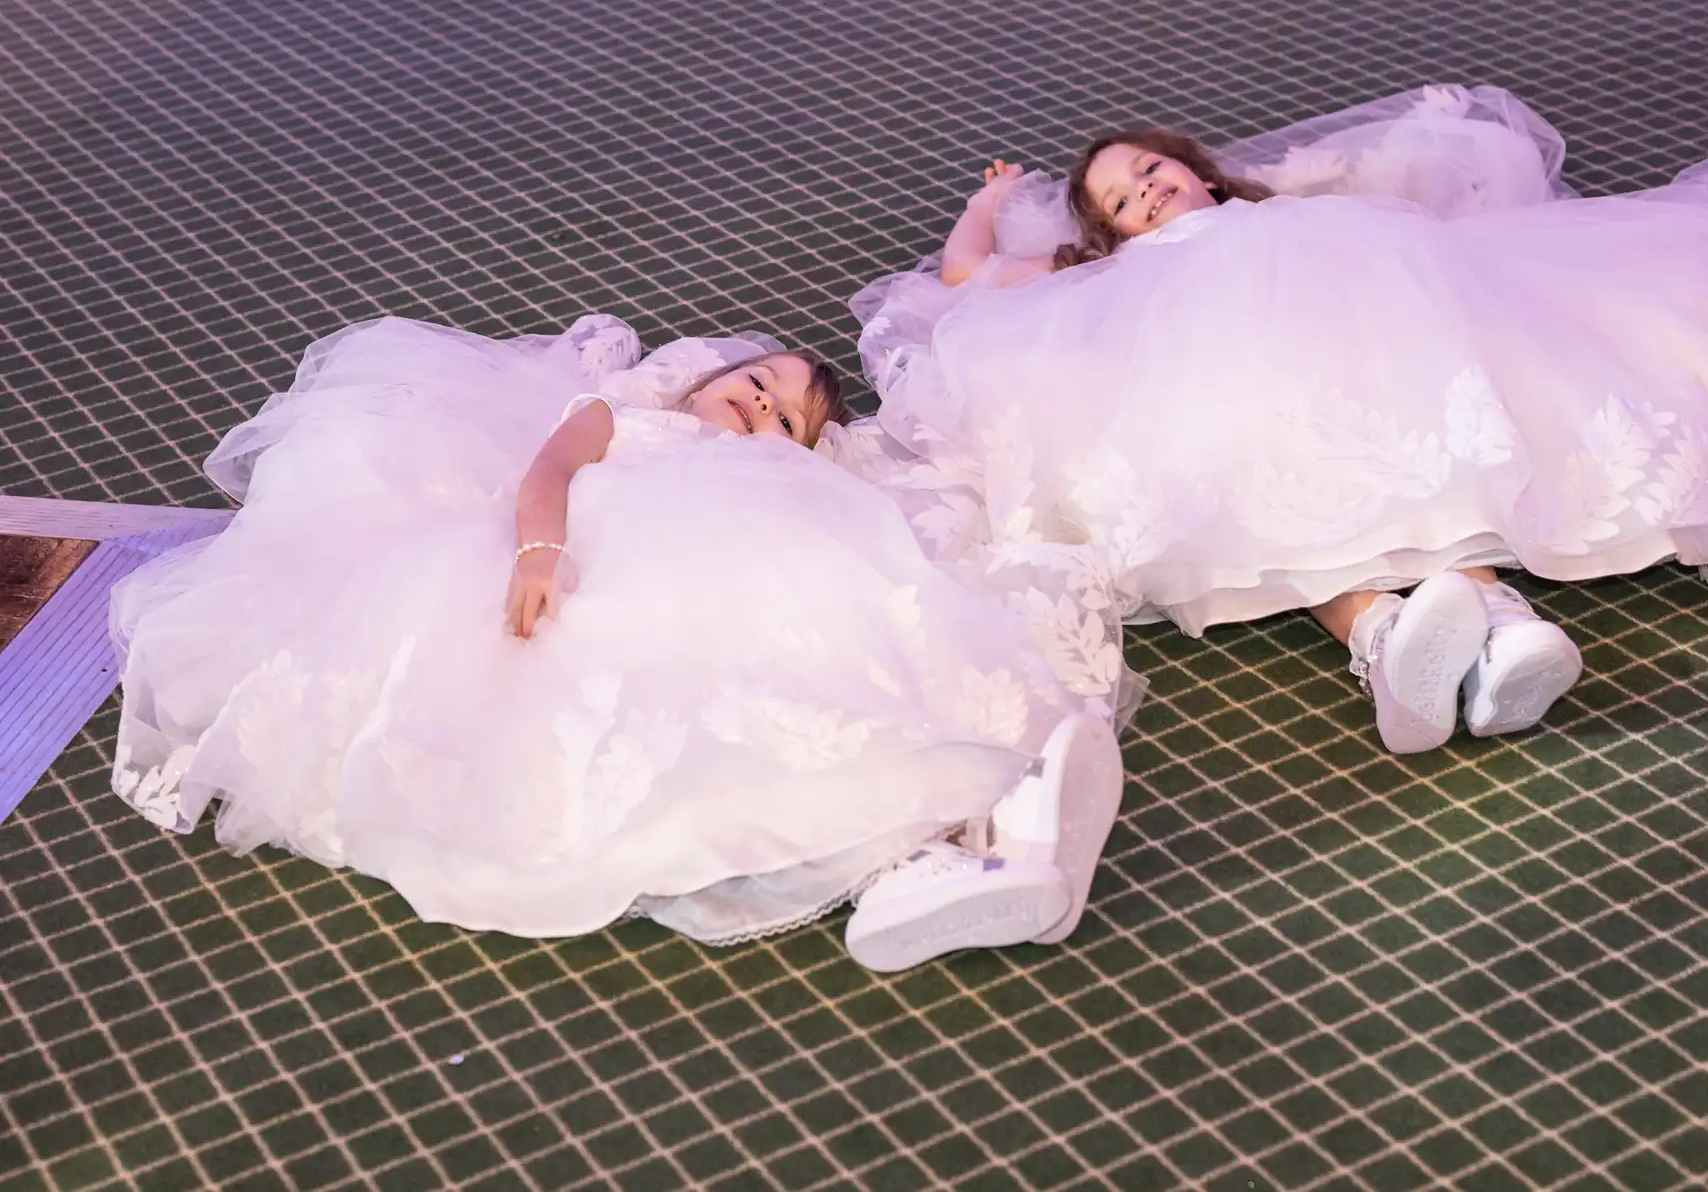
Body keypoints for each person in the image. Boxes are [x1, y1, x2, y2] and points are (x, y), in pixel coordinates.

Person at [852, 85, 1708, 754]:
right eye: (1122, 203)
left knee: (1399, 456)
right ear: (1110, 237)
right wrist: (992, 198)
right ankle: (1402, 634)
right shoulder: (1123, 275)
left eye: (1148, 170)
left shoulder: (1279, 215)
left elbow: (1395, 199)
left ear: (1193, 165)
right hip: (1216, 382)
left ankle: (1485, 633)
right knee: (1279, 490)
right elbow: (963, 273)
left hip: (1357, 343)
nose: (1145, 196)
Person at [110, 314, 1133, 973]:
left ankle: (956, 854)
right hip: (598, 568)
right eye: (758, 381)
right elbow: (546, 475)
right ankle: (927, 856)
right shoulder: (620, 419)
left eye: (784, 417)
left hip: (731, 583)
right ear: (700, 381)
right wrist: (540, 552)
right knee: (661, 719)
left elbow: (834, 555)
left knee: (808, 678)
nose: (762, 405)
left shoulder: (780, 483)